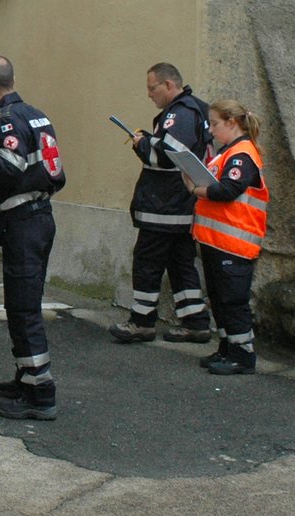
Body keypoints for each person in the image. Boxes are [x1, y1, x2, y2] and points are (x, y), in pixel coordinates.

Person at [0, 55, 66, 419]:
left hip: (24, 220)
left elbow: (8, 165)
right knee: (23, 303)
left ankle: (41, 392)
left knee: (24, 308)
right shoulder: (36, 113)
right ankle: (27, 376)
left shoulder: (6, 119)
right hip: (40, 216)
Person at [109, 63, 215, 344]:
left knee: (147, 261)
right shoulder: (196, 109)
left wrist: (141, 144)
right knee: (180, 264)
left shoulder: (179, 113)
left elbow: (168, 156)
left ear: (169, 85)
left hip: (164, 206)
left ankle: (142, 322)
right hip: (179, 207)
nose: (149, 95)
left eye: (151, 88)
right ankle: (196, 322)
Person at [188, 99, 269, 376]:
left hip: (235, 243)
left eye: (215, 124)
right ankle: (227, 347)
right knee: (220, 298)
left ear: (232, 123)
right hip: (218, 241)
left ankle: (242, 355)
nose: (211, 130)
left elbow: (228, 190)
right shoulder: (228, 153)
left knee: (233, 300)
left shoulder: (241, 155)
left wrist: (196, 190)